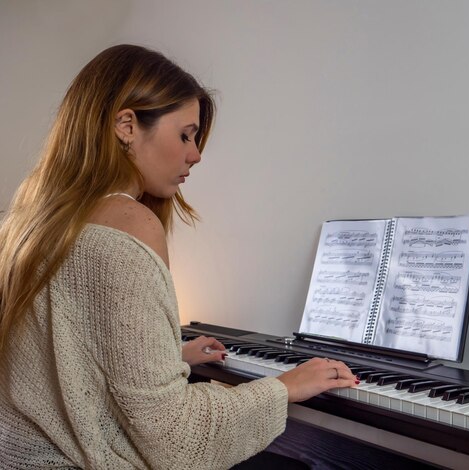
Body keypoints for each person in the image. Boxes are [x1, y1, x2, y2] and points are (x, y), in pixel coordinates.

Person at [0, 44, 357, 469]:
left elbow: (59, 358)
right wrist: (285, 386)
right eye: (185, 134)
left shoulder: (27, 221)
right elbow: (176, 440)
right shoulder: (131, 222)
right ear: (127, 125)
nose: (196, 153)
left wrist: (171, 358)